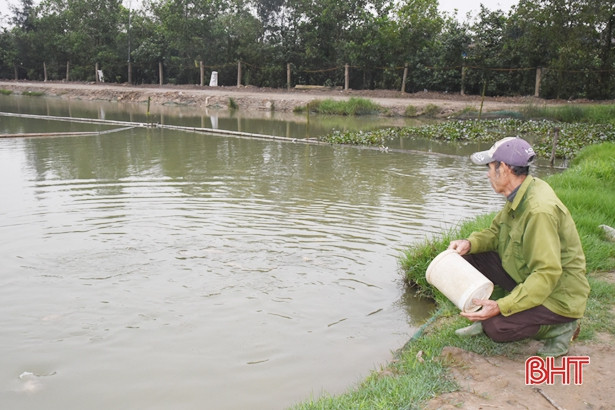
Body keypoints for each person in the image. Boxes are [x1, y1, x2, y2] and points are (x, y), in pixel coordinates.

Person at [448, 137, 590, 357]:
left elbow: (546, 274)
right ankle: (484, 309)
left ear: (504, 169)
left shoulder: (539, 211)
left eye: (489, 167)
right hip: (529, 275)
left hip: (557, 294)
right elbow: (495, 233)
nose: (487, 174)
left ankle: (561, 328)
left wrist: (502, 306)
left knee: (497, 328)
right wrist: (469, 243)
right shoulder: (520, 193)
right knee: (465, 258)